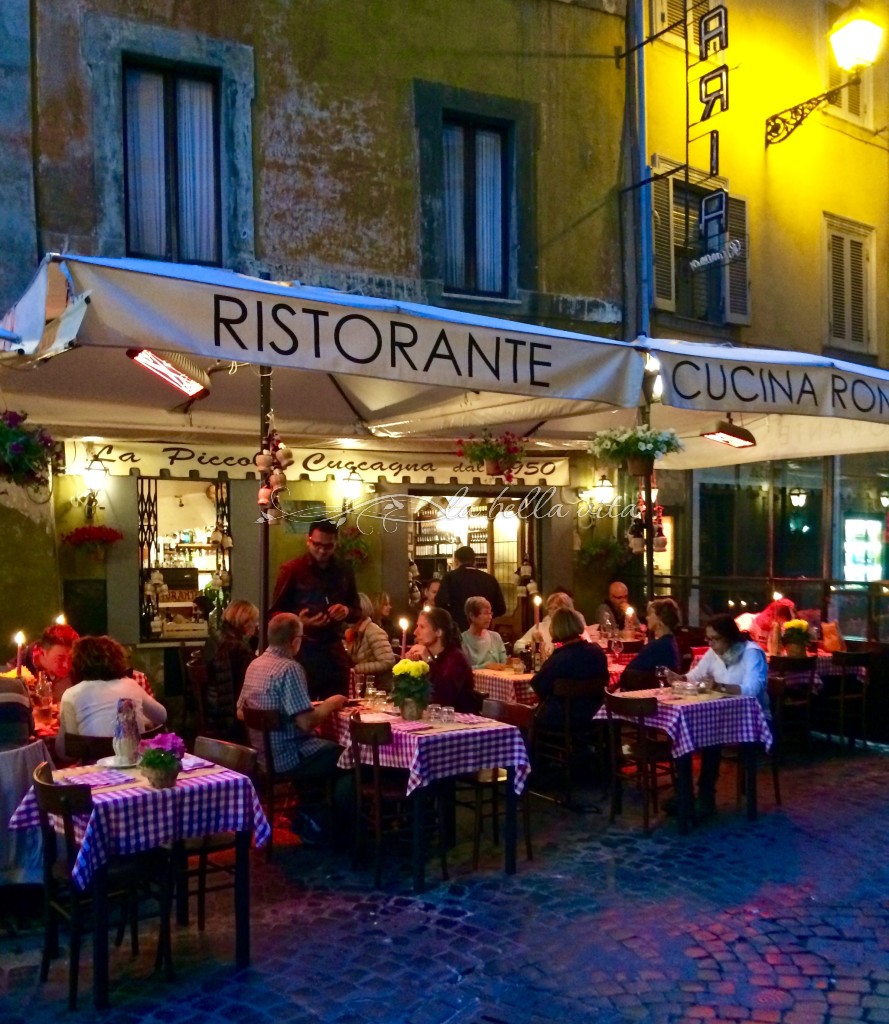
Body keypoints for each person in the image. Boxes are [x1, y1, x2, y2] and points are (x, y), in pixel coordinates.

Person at [665, 613, 769, 818]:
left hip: (751, 720)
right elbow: (694, 676)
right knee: (697, 733)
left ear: (729, 637)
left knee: (711, 738)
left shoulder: (752, 653)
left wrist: (721, 686)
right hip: (722, 717)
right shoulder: (713, 653)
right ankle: (688, 796)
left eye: (715, 639)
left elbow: (753, 689)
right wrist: (677, 678)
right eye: (708, 639)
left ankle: (703, 796)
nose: (711, 643)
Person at [237, 613, 347, 784]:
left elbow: (240, 712)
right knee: (349, 755)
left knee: (327, 745)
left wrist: (275, 716)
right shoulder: (290, 669)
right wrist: (331, 704)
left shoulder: (255, 664)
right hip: (289, 758)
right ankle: (320, 809)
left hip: (262, 757)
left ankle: (306, 803)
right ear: (295, 641)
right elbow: (305, 723)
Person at [269, 519, 361, 700]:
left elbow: (357, 611)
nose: (321, 550)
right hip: (304, 649)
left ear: (336, 543)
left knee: (339, 705)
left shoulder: (344, 570)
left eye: (328, 546)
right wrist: (299, 621)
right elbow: (274, 613)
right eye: (317, 544)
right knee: (304, 709)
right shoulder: (292, 569)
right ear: (308, 540)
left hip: (334, 650)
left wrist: (346, 611)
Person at [57, 635, 167, 760]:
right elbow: (162, 716)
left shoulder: (71, 694)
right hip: (135, 767)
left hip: (93, 775)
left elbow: (67, 753)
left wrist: (63, 721)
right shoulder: (130, 684)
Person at [9, 623, 155, 703]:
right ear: (42, 652)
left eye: (70, 658)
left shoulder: (79, 669)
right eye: (60, 658)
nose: (67, 665)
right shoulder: (15, 672)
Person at [530, 609, 609, 729]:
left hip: (563, 720)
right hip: (595, 717)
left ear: (556, 629)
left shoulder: (559, 658)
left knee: (523, 716)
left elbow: (538, 685)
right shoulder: (597, 652)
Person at [201, 600, 259, 738]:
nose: (257, 625)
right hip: (228, 716)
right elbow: (251, 680)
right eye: (255, 621)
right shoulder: (237, 647)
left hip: (212, 705)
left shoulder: (216, 638)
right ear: (245, 622)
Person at [406, 607, 477, 713]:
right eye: (417, 626)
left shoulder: (456, 659)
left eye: (422, 627)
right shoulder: (427, 656)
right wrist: (409, 666)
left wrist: (428, 662)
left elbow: (441, 699)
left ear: (439, 632)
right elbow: (413, 695)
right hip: (432, 718)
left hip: (458, 722)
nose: (415, 632)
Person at [436, 546, 506, 632]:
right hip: (483, 631)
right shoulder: (489, 579)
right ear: (474, 561)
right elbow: (501, 608)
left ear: (456, 561)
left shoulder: (450, 577)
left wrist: (452, 617)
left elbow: (440, 602)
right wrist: (485, 615)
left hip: (458, 630)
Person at [347, 593, 397, 690]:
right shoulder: (354, 632)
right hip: (367, 685)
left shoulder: (373, 631)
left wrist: (357, 669)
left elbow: (387, 662)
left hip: (380, 688)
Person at [514, 590, 588, 654]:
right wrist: (531, 645)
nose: (552, 612)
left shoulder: (574, 629)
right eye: (550, 608)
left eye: (556, 608)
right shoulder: (541, 627)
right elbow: (517, 646)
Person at [623, 598, 682, 676]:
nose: (647, 618)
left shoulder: (656, 647)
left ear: (660, 618)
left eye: (650, 614)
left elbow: (627, 673)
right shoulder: (671, 643)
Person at [461, 597, 507, 669]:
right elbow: (463, 670)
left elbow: (504, 663)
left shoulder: (495, 637)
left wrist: (509, 663)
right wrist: (485, 667)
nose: (490, 617)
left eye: (490, 613)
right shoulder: (462, 640)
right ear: (472, 616)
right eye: (486, 613)